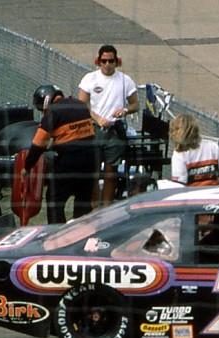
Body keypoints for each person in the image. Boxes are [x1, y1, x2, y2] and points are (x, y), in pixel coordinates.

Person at [22, 84, 97, 224]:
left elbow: (38, 144)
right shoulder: (80, 105)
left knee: (54, 199)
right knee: (83, 201)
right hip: (91, 158)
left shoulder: (53, 111)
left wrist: (27, 166)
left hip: (69, 162)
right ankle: (82, 233)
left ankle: (57, 234)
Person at [78, 44, 139, 207]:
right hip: (94, 130)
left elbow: (135, 104)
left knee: (111, 173)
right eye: (103, 61)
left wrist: (125, 110)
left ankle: (107, 207)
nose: (107, 64)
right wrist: (97, 118)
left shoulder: (125, 81)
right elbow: (82, 104)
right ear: (98, 61)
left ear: (117, 61)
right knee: (94, 172)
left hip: (115, 131)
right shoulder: (90, 79)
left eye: (110, 61)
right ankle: (93, 207)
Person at [169, 114, 219, 186]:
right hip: (214, 193)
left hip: (193, 195)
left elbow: (179, 184)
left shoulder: (179, 154)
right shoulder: (212, 146)